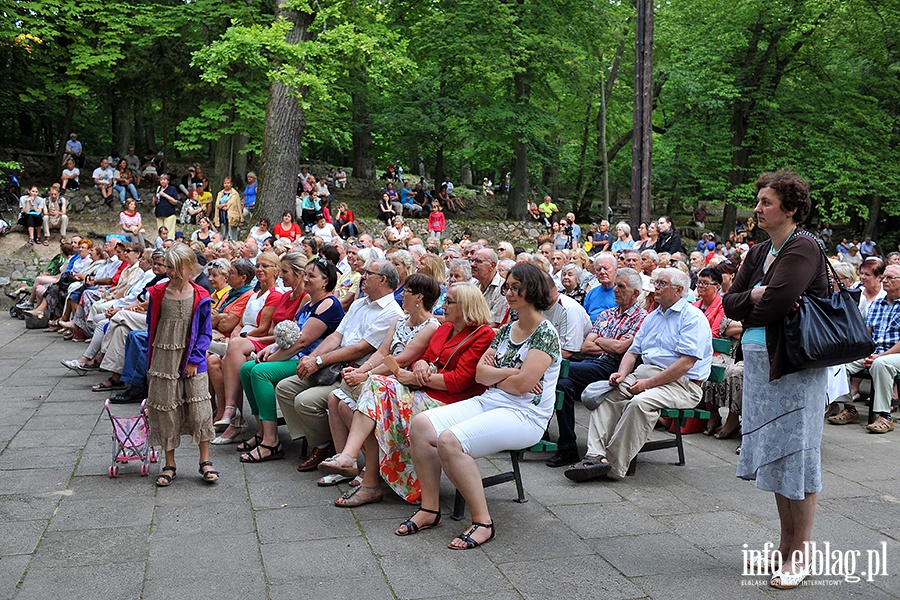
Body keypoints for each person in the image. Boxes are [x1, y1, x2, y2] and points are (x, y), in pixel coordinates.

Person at [402, 264, 561, 549]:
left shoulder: (545, 334)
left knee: (450, 441)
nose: (509, 293)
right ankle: (430, 509)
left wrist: (505, 376)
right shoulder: (504, 331)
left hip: (526, 415)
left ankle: (483, 522)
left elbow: (523, 387)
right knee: (422, 424)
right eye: (507, 287)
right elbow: (480, 375)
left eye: (516, 288)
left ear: (532, 291)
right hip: (490, 401)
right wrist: (513, 373)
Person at [722, 170, 829, 589]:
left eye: (766, 201)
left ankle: (800, 553)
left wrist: (750, 307)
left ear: (791, 208)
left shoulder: (802, 247)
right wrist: (751, 298)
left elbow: (779, 305)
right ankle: (786, 548)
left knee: (798, 457)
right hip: (762, 365)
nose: (758, 208)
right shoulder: (760, 250)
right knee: (777, 455)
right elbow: (733, 303)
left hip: (794, 368)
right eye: (758, 200)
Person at [322, 282, 494, 503]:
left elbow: (459, 381)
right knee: (374, 392)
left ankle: (360, 470)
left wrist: (416, 376)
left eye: (449, 301)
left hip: (452, 403)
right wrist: (421, 364)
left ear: (467, 306)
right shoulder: (445, 329)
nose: (443, 306)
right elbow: (426, 358)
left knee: (375, 394)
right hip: (424, 392)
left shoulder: (482, 335)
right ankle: (357, 466)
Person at [564, 268, 711, 483]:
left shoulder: (692, 318)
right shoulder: (654, 316)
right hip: (644, 375)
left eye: (661, 284)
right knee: (605, 394)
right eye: (656, 283)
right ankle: (595, 455)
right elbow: (633, 351)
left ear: (679, 290)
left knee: (640, 403)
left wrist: (647, 384)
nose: (655, 288)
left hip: (682, 384)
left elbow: (686, 363)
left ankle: (612, 465)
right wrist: (621, 374)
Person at [276, 260, 403, 471]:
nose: (362, 276)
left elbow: (362, 348)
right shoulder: (359, 303)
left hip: (353, 370)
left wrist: (318, 361)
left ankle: (334, 451)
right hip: (333, 367)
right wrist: (313, 357)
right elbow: (337, 335)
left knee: (306, 401)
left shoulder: (391, 312)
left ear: (383, 280)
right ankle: (322, 443)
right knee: (286, 388)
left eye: (368, 273)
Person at [237, 257, 345, 462]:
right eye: (305, 274)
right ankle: (262, 430)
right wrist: (270, 347)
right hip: (295, 356)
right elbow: (291, 333)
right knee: (246, 369)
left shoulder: (329, 304)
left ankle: (271, 441)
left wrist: (271, 360)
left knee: (260, 372)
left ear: (325, 281)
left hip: (310, 361)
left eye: (311, 276)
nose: (306, 279)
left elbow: (302, 342)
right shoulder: (309, 304)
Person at [549, 268, 646, 467]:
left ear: (636, 293)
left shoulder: (641, 318)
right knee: (563, 384)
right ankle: (567, 447)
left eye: (621, 287)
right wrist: (610, 342)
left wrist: (602, 341)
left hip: (615, 369)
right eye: (616, 285)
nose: (616, 290)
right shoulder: (606, 314)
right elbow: (586, 346)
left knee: (557, 367)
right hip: (594, 363)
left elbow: (620, 350)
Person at [145, 244, 218, 487]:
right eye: (168, 268)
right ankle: (169, 463)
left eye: (176, 269)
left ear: (189, 269)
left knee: (199, 410)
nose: (171, 273)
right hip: (165, 356)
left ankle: (205, 460)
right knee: (166, 409)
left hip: (192, 358)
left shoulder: (200, 295)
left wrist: (195, 360)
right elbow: (151, 327)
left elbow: (205, 333)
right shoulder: (157, 292)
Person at [213, 177, 242, 241]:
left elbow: (236, 204)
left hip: (232, 215)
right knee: (223, 230)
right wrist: (223, 206)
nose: (226, 185)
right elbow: (217, 204)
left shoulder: (235, 194)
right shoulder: (220, 193)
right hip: (222, 215)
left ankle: (234, 243)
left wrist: (227, 206)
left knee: (232, 231)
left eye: (228, 183)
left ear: (231, 184)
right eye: (225, 183)